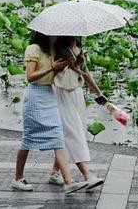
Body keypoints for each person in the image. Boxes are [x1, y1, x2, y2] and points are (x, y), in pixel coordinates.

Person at [12, 32, 89, 194]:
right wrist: (51, 68)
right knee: (27, 140)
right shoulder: (34, 49)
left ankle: (68, 182)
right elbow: (30, 77)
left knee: (58, 137)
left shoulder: (52, 52)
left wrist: (74, 63)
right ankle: (18, 178)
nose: (56, 38)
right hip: (35, 95)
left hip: (50, 95)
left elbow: (66, 74)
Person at [49, 36, 105, 190]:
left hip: (76, 93)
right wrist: (62, 65)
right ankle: (87, 175)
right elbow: (49, 72)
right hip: (61, 92)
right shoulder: (56, 48)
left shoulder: (78, 48)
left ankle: (55, 172)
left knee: (71, 132)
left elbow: (85, 73)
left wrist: (99, 94)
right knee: (73, 133)